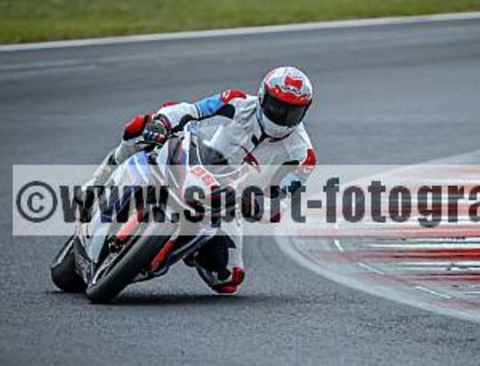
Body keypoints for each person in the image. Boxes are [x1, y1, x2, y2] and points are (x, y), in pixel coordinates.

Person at [87, 66, 317, 294]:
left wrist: (256, 206)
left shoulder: (302, 157)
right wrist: (162, 123)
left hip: (228, 200)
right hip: (195, 159)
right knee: (139, 127)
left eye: (291, 112)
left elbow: (281, 202)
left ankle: (191, 248)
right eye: (276, 106)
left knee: (227, 279)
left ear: (304, 111)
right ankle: (97, 184)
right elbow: (192, 110)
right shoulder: (235, 101)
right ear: (262, 96)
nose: (281, 116)